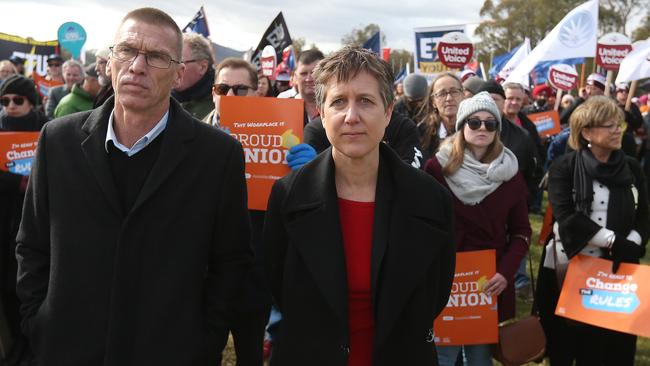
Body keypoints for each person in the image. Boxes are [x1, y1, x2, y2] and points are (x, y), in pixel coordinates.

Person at [15, 8, 253, 365]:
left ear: (178, 74)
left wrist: (204, 340)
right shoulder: (57, 140)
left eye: (156, 56)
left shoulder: (218, 156)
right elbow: (31, 244)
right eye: (127, 51)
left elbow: (231, 261)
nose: (137, 66)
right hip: (67, 348)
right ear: (109, 62)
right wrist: (40, 320)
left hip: (169, 352)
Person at [263, 46, 455, 365]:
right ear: (323, 114)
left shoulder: (431, 199)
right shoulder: (288, 195)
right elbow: (278, 283)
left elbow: (434, 294)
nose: (351, 116)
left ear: (389, 111)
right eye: (339, 102)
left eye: (365, 100)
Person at [539, 96, 648, 366]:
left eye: (618, 125)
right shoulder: (564, 167)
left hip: (617, 273)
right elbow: (567, 217)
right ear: (586, 132)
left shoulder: (632, 167)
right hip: (569, 267)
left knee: (612, 350)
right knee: (567, 347)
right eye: (608, 125)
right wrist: (612, 240)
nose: (616, 130)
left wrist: (632, 243)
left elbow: (644, 214)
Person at [425, 92, 531, 366]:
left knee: (480, 357)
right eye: (474, 122)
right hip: (447, 278)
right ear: (461, 126)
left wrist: (506, 272)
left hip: (490, 280)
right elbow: (423, 226)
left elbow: (521, 232)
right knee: (442, 355)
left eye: (490, 123)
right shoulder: (437, 169)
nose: (482, 128)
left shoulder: (510, 173)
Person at [0, 74, 46, 365]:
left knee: (31, 284)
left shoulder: (47, 130)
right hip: (4, 221)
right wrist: (15, 183)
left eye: (18, 100)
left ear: (32, 102)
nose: (11, 106)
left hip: (36, 220)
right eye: (5, 101)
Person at [418, 72, 465, 161]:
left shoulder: (475, 127)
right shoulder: (422, 133)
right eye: (442, 94)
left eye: (454, 91)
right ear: (433, 102)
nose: (449, 98)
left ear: (463, 95)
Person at [203, 57, 258, 127]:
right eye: (223, 88)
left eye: (240, 89)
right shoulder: (193, 133)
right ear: (213, 94)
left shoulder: (271, 133)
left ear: (256, 95)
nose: (229, 95)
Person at [172, 32, 216, 120]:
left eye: (179, 62)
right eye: (171, 61)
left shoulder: (219, 107)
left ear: (202, 67)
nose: (172, 68)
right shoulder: (159, 97)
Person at [277, 49, 324, 124]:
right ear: (295, 77)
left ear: (324, 74)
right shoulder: (282, 106)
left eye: (314, 73)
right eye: (303, 73)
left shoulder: (336, 107)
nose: (309, 79)